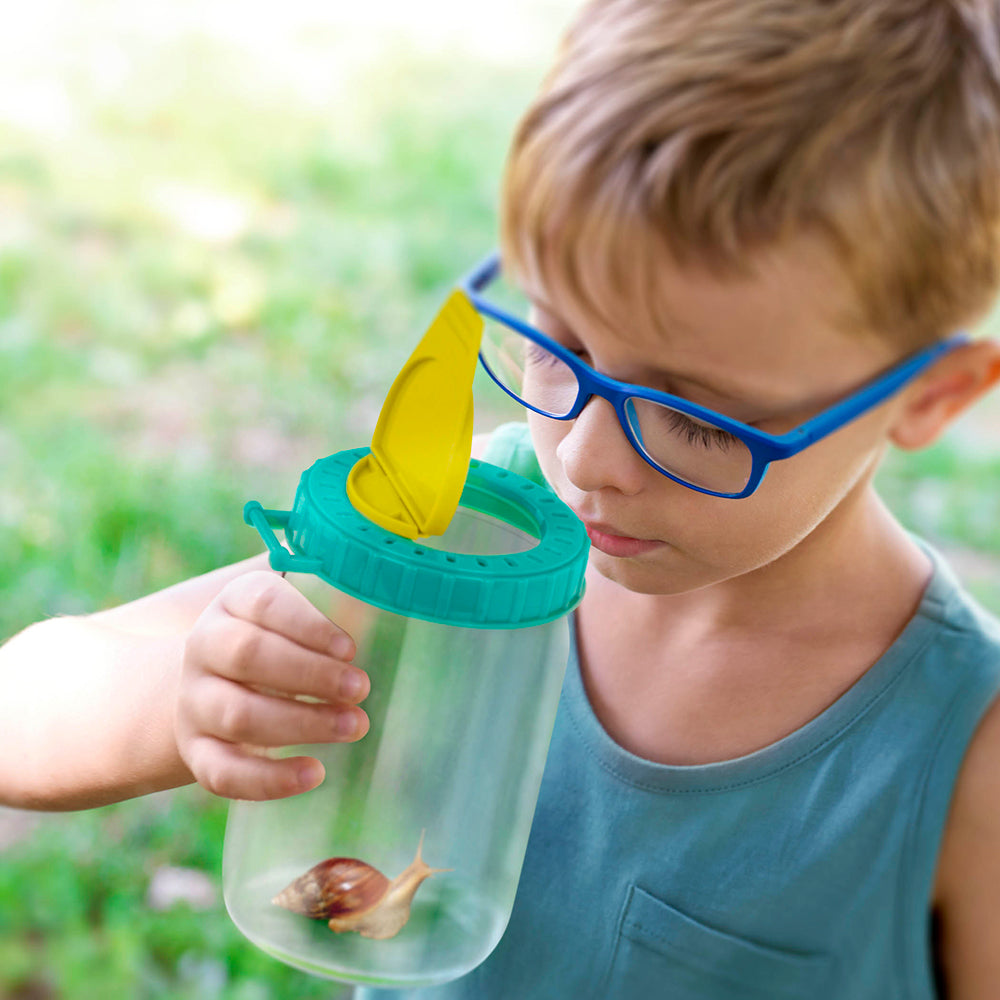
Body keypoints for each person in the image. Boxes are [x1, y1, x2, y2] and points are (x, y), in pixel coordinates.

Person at [3, 0, 1000, 995]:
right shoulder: (467, 533)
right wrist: (182, 701)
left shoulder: (963, 759)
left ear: (927, 395)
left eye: (699, 419)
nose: (588, 457)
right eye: (558, 343)